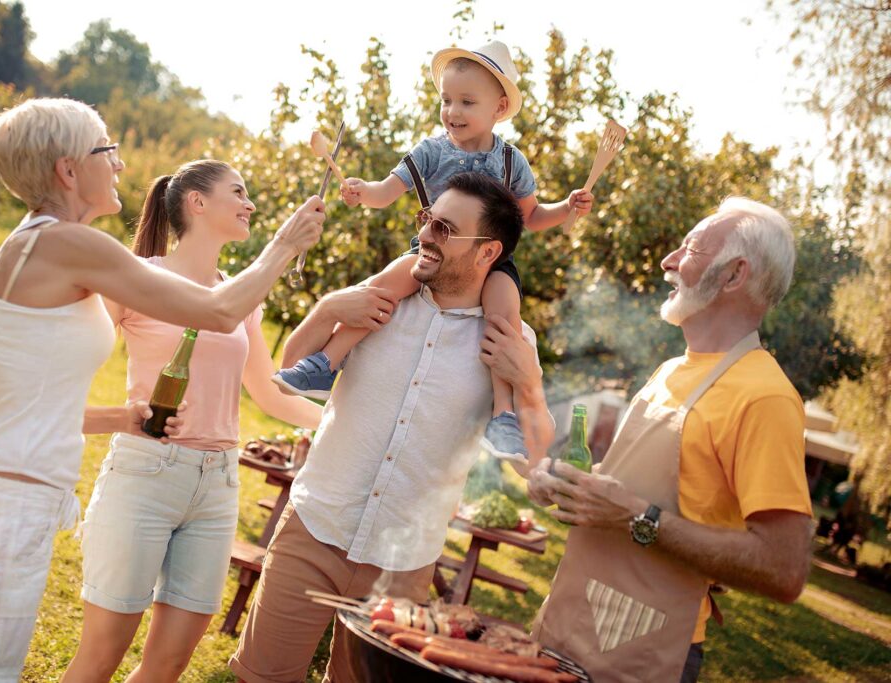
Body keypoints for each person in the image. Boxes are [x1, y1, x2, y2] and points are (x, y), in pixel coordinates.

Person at [0, 97, 323, 683]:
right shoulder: (75, 244)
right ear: (68, 169)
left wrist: (120, 411)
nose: (122, 165)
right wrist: (285, 245)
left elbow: (36, 356)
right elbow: (217, 310)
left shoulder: (50, 245)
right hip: (2, 503)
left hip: (16, 497)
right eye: (108, 150)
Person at [230, 172, 546, 683]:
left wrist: (529, 383)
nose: (426, 235)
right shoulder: (376, 301)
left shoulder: (510, 339)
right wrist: (327, 307)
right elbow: (291, 369)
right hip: (315, 528)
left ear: (488, 253)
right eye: (427, 220)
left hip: (405, 562)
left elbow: (536, 455)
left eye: (446, 229)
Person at [492, 198, 814, 683]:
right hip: (568, 620)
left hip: (644, 649)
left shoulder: (765, 397)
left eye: (690, 248)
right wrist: (571, 484)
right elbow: (640, 491)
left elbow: (784, 568)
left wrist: (639, 519)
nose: (668, 261)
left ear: (734, 275)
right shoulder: (670, 371)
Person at [273, 39, 591, 466]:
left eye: (466, 102)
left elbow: (531, 216)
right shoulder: (430, 152)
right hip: (429, 248)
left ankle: (503, 415)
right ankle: (325, 364)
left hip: (490, 261)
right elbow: (387, 192)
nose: (452, 112)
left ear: (498, 108)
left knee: (505, 321)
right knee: (380, 291)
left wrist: (567, 208)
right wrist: (361, 191)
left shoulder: (513, 162)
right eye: (446, 100)